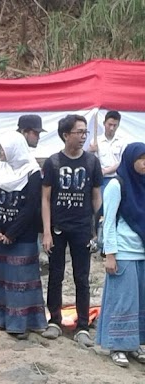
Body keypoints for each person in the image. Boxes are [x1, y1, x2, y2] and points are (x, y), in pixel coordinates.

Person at [40, 115, 102, 345]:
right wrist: (46, 231)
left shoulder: (91, 162)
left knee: (82, 277)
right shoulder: (53, 162)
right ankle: (54, 321)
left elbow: (96, 194)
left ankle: (83, 326)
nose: (83, 136)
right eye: (79, 132)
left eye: (85, 132)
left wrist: (98, 225)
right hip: (58, 226)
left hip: (82, 227)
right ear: (66, 135)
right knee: (55, 275)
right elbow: (45, 198)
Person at [0, 133, 47, 338]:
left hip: (23, 236)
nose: (1, 153)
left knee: (21, 280)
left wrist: (12, 233)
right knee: (0, 278)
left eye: (3, 149)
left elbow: (31, 207)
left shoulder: (32, 172)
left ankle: (21, 324)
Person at [96, 142, 145, 367]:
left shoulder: (143, 184)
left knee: (140, 301)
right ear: (130, 159)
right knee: (123, 301)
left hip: (142, 252)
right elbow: (109, 222)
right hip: (124, 252)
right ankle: (117, 346)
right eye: (141, 158)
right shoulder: (117, 185)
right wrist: (110, 254)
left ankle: (134, 344)